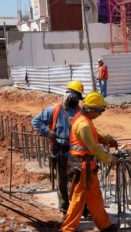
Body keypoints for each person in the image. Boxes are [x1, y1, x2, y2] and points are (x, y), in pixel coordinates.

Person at [60, 91, 119, 232]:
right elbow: (94, 148)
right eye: (99, 111)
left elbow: (95, 133)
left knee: (95, 198)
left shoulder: (83, 118)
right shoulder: (83, 124)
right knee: (78, 200)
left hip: (87, 167)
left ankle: (106, 226)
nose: (100, 114)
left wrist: (106, 138)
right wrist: (110, 159)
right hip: (82, 168)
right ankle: (67, 229)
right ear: (91, 109)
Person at [31, 80, 84, 215]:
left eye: (78, 99)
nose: (77, 101)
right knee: (62, 181)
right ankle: (64, 207)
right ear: (69, 95)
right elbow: (35, 121)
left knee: (76, 181)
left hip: (75, 152)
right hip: (60, 150)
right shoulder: (55, 109)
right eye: (75, 98)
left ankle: (79, 208)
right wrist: (48, 132)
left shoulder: (79, 111)